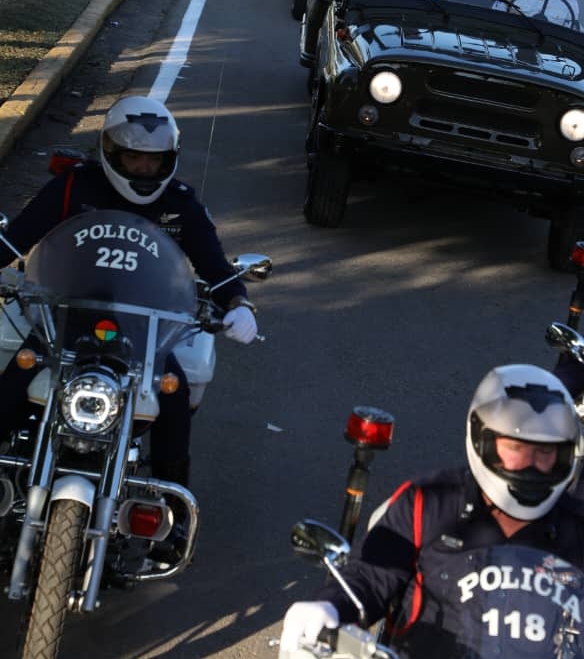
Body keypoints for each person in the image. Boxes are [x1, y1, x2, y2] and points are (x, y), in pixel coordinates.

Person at [0, 95, 258, 487]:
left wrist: (239, 304)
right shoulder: (74, 187)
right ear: (112, 152)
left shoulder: (180, 204)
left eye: (154, 160)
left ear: (169, 159)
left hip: (145, 334)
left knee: (174, 397)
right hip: (64, 320)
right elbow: (16, 239)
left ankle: (172, 506)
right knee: (11, 384)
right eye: (134, 157)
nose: (144, 168)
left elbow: (215, 266)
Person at [279, 365, 584, 659]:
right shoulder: (429, 502)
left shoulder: (576, 525)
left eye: (544, 452)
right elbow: (371, 576)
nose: (529, 464)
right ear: (483, 438)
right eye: (515, 448)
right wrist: (329, 606)